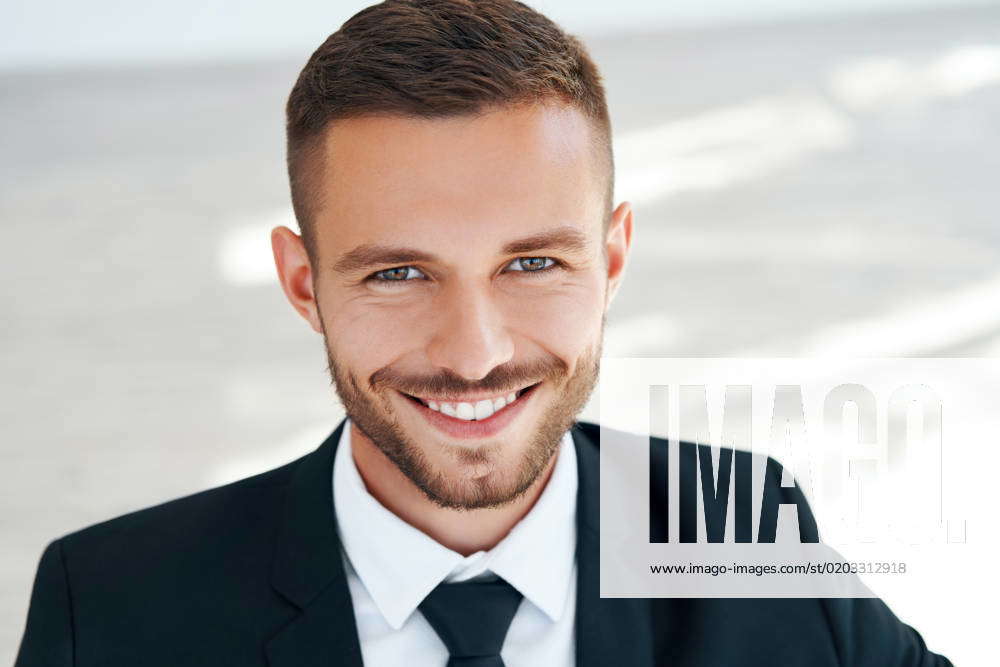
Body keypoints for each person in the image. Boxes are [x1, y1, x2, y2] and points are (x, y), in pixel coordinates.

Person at [15, 1, 952, 665]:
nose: (474, 354)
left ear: (612, 259)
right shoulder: (106, 607)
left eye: (533, 263)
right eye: (399, 272)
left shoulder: (742, 534)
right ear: (302, 283)